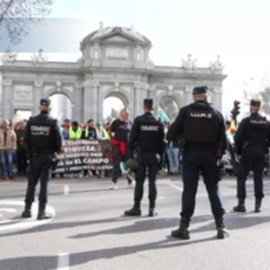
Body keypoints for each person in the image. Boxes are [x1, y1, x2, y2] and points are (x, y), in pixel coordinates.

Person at [167, 86, 229, 239]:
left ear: (194, 97)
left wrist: (182, 137)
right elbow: (224, 141)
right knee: (214, 190)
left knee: (189, 190)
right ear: (207, 97)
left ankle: (184, 227)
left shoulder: (186, 112)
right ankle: (221, 227)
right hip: (210, 157)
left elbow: (171, 134)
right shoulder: (216, 114)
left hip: (191, 155)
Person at [21, 98, 62, 220]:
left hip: (34, 156)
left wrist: (29, 154)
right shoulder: (53, 122)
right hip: (48, 156)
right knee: (44, 184)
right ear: (49, 108)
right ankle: (41, 212)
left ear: (39, 107)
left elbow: (26, 140)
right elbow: (58, 142)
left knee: (31, 184)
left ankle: (27, 210)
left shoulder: (31, 121)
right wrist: (54, 152)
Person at [124, 99, 165, 217]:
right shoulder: (158, 121)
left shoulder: (138, 120)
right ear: (153, 107)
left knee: (139, 182)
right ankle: (152, 209)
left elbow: (131, 140)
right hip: (154, 155)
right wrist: (161, 159)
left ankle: (137, 207)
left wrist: (129, 157)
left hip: (141, 156)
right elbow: (162, 142)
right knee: (153, 181)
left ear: (144, 107)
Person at [233, 99, 270, 213]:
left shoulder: (246, 121)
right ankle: (258, 204)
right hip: (261, 152)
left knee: (241, 176)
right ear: (260, 107)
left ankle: (241, 204)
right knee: (258, 177)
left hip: (248, 151)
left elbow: (237, 138)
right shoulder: (266, 122)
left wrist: (238, 151)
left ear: (251, 107)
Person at [110, 109, 132, 189]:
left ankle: (130, 181)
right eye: (126, 114)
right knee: (116, 164)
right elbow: (110, 130)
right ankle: (114, 182)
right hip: (118, 145)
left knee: (128, 164)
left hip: (126, 146)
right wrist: (112, 139)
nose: (127, 116)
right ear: (122, 114)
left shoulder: (129, 123)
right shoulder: (116, 122)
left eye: (128, 115)